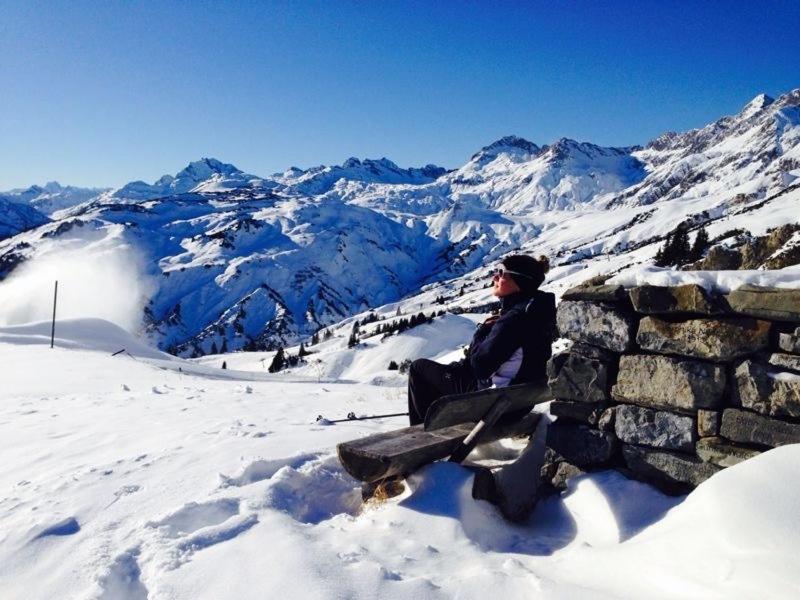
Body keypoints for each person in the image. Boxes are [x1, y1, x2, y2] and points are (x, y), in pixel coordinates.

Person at [407, 254, 556, 426]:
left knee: (419, 368)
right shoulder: (536, 313)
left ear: (519, 280)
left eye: (501, 273)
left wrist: (481, 331)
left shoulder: (513, 320)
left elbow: (480, 367)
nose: (495, 277)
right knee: (445, 373)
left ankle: (423, 436)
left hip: (494, 408)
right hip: (517, 406)